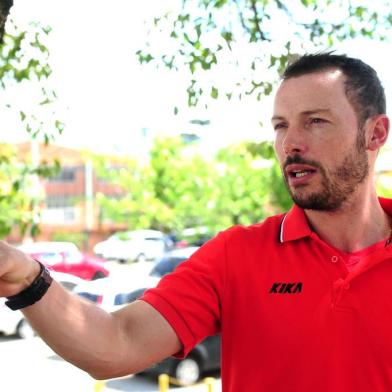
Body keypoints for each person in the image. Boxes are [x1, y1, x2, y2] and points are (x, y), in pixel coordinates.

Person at [0, 52, 391, 392]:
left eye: (316, 121)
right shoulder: (236, 255)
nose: (290, 143)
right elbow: (117, 343)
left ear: (375, 134)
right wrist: (25, 277)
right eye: (280, 125)